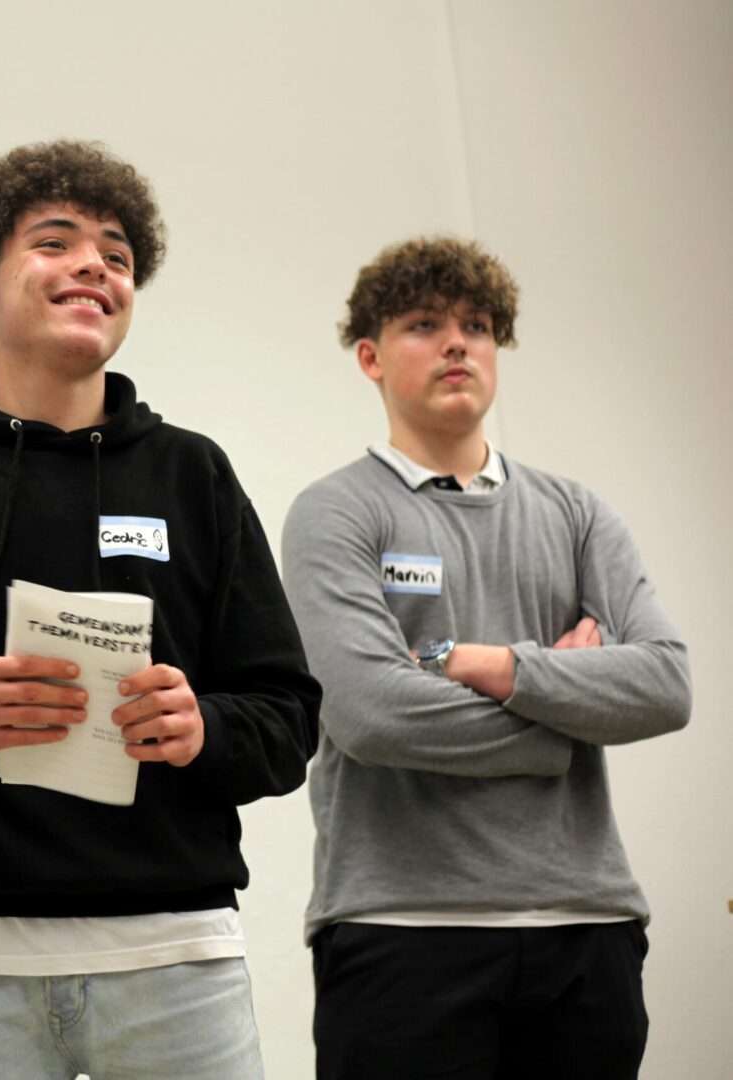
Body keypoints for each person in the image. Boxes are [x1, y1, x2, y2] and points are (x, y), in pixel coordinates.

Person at [0, 140, 320, 1079]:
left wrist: (204, 729)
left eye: (117, 255)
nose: (94, 267)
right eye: (55, 242)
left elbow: (288, 719)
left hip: (177, 957)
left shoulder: (193, 474)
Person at [282, 236, 692, 1079]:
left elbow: (664, 684)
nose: (457, 344)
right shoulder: (335, 512)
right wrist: (568, 713)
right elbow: (371, 714)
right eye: (424, 325)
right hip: (401, 931)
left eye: (475, 325)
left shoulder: (578, 513)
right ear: (370, 357)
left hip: (588, 927)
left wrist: (495, 665)